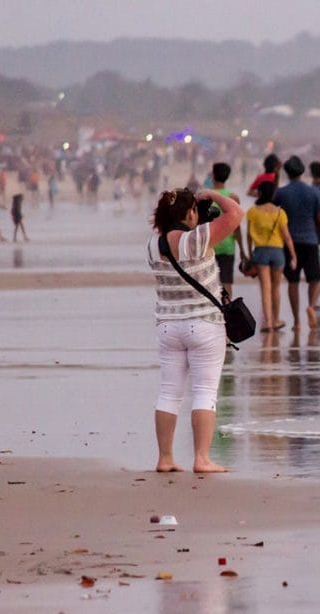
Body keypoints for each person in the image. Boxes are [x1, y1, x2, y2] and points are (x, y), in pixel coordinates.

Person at [145, 187, 243, 473]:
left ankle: (165, 458)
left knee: (168, 392)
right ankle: (202, 458)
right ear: (190, 213)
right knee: (204, 392)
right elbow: (235, 213)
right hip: (204, 325)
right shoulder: (198, 239)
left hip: (167, 325)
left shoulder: (153, 245)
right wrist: (211, 194)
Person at [273, 155, 320, 330]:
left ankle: (297, 322)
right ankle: (311, 306)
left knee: (293, 281)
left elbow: (270, 207)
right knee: (315, 278)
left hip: (289, 243)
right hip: (310, 241)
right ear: (302, 172)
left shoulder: (282, 193)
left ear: (288, 173)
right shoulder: (313, 192)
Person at [246, 181, 297, 331]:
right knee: (276, 288)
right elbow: (287, 237)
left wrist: (249, 253)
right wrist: (293, 255)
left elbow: (249, 235)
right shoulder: (280, 212)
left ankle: (267, 322)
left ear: (260, 193)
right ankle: (275, 319)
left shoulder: (252, 212)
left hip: (260, 251)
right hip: (277, 252)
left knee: (265, 289)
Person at [209, 162, 247, 298]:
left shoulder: (206, 196)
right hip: (228, 246)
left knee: (208, 283)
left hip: (209, 245)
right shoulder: (232, 197)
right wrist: (242, 250)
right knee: (226, 283)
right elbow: (236, 226)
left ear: (213, 175)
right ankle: (228, 314)